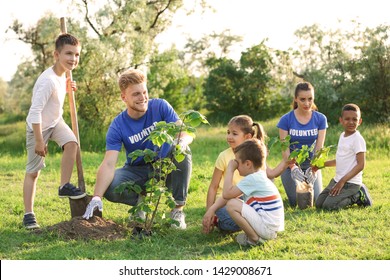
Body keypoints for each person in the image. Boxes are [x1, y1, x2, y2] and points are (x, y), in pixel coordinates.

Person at [82, 69, 193, 229]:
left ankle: (177, 210)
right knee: (111, 187)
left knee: (183, 149)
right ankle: (141, 202)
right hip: (138, 171)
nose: (143, 98)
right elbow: (108, 164)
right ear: (123, 97)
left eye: (144, 92)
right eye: (136, 94)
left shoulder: (160, 106)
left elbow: (184, 133)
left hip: (166, 167)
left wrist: (181, 142)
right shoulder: (118, 125)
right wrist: (96, 197)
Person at [23, 34, 85, 230]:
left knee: (72, 144)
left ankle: (63, 186)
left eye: (76, 55)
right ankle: (28, 214)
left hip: (55, 121)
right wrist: (40, 141)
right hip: (38, 126)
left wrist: (68, 87)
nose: (73, 59)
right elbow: (35, 112)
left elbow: (56, 96)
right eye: (68, 54)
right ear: (56, 55)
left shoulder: (64, 75)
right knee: (33, 172)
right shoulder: (47, 81)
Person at [202, 115, 289, 234]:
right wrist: (209, 211)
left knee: (230, 221)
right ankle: (228, 220)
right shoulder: (224, 156)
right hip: (224, 200)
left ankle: (251, 228)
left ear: (247, 136)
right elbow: (214, 187)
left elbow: (271, 174)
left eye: (234, 133)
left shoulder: (254, 156)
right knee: (226, 214)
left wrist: (286, 162)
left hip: (244, 199)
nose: (229, 137)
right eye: (228, 132)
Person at [223, 138, 284, 246]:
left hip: (267, 228)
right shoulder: (258, 175)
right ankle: (255, 236)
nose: (236, 166)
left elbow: (227, 194)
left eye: (237, 162)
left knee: (232, 204)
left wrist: (230, 170)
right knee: (237, 202)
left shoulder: (253, 179)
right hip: (271, 228)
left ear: (248, 164)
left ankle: (254, 239)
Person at [277, 81, 328, 207]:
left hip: (311, 164)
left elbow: (319, 147)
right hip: (291, 166)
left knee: (315, 201)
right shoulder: (286, 120)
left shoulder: (321, 119)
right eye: (302, 99)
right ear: (296, 99)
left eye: (310, 99)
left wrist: (314, 168)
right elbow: (285, 148)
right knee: (298, 202)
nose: (307, 103)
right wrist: (293, 167)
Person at [315, 104, 372, 210]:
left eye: (355, 119)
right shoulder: (342, 136)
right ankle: (346, 192)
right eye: (347, 119)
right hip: (337, 180)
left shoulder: (357, 139)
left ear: (359, 121)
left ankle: (357, 195)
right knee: (319, 204)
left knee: (329, 206)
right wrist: (321, 165)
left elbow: (361, 165)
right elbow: (341, 160)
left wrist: (342, 182)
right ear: (341, 120)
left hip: (350, 183)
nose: (351, 122)